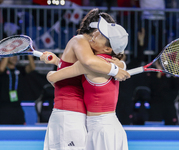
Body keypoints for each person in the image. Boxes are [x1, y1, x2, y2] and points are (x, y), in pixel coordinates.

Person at [40, 8, 130, 150]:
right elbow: (87, 64)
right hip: (70, 116)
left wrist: (58, 64)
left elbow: (81, 68)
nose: (97, 34)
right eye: (99, 30)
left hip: (77, 118)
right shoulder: (81, 41)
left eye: (101, 32)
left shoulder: (94, 57)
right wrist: (117, 69)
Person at [0, 55, 35, 124]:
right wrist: (8, 52)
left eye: (16, 56)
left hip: (17, 108)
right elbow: (1, 69)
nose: (15, 58)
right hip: (3, 108)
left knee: (21, 132)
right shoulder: (3, 70)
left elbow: (32, 67)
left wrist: (28, 53)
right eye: (12, 56)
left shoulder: (20, 69)